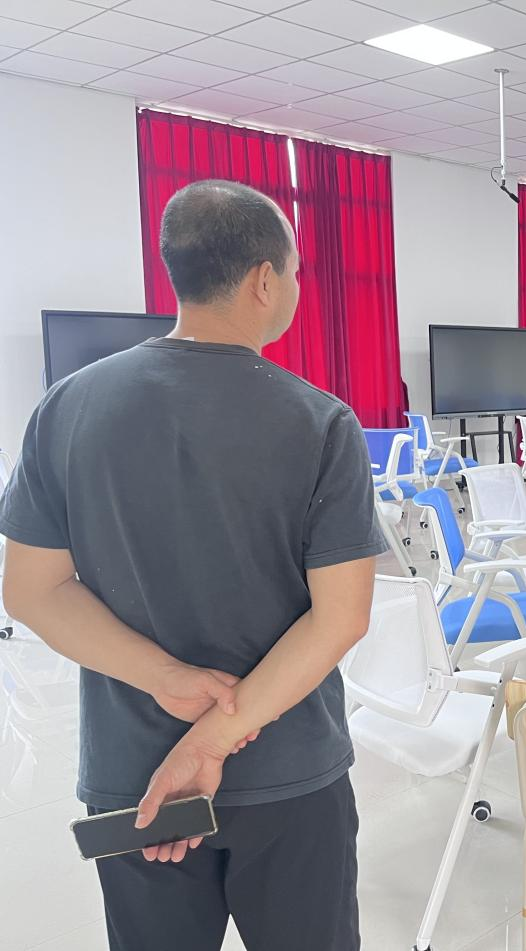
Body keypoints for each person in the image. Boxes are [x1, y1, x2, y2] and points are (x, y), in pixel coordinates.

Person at [0, 180, 384, 951]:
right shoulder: (320, 423)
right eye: (296, 271)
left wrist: (166, 678)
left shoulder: (65, 409)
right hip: (288, 772)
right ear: (264, 280)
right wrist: (211, 741)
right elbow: (340, 617)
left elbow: (30, 590)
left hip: (133, 780)